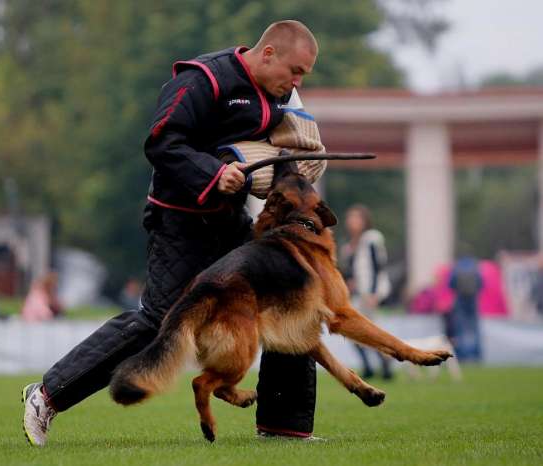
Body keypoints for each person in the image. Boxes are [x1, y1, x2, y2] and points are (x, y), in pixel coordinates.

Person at [22, 20, 321, 446]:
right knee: (159, 323)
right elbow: (162, 142)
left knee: (290, 300)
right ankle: (47, 395)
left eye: (303, 76)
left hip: (231, 220)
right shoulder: (203, 80)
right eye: (295, 71)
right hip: (179, 221)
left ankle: (284, 427)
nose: (296, 83)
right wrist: (214, 173)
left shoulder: (281, 96)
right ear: (268, 53)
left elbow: (281, 150)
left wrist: (296, 171)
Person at [339, 204, 393, 380]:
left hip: (370, 294)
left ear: (364, 220)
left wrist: (373, 293)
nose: (352, 221)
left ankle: (384, 365)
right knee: (354, 330)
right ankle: (372, 365)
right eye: (350, 218)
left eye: (356, 218)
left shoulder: (372, 238)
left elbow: (379, 266)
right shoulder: (348, 246)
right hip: (357, 294)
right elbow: (349, 271)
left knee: (369, 330)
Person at [448, 249, 483, 362]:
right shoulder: (475, 267)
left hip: (460, 300)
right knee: (475, 329)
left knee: (460, 329)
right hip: (473, 300)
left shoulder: (456, 267)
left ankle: (462, 355)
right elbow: (481, 283)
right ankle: (476, 354)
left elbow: (451, 284)